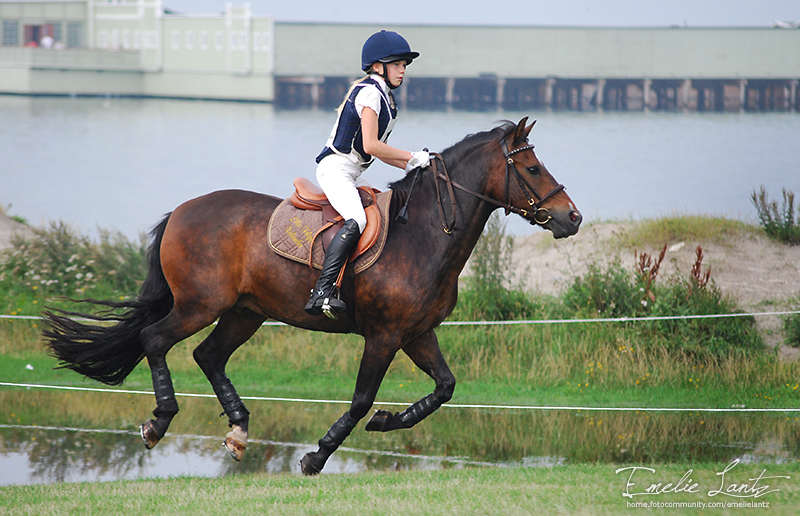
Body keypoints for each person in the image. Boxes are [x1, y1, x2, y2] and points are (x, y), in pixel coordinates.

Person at [304, 30, 430, 318]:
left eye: (404, 65)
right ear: (378, 66)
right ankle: (322, 291)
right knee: (358, 219)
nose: (403, 70)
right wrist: (411, 156)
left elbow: (377, 151)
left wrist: (416, 166)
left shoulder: (386, 99)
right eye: (397, 64)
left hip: (353, 171)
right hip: (336, 169)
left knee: (380, 210)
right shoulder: (371, 93)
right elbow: (373, 145)